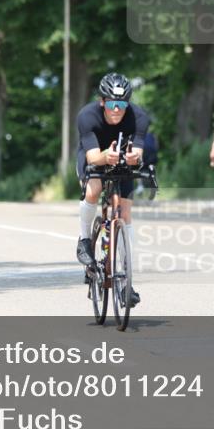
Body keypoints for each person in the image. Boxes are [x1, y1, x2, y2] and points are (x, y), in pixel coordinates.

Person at [75, 72, 148, 306]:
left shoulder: (138, 117)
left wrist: (132, 157)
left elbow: (138, 153)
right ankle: (85, 240)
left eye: (122, 104)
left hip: (121, 162)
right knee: (93, 190)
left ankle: (127, 280)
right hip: (95, 157)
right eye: (112, 104)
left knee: (125, 214)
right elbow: (94, 157)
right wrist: (106, 156)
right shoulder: (87, 116)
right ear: (102, 101)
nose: (117, 109)